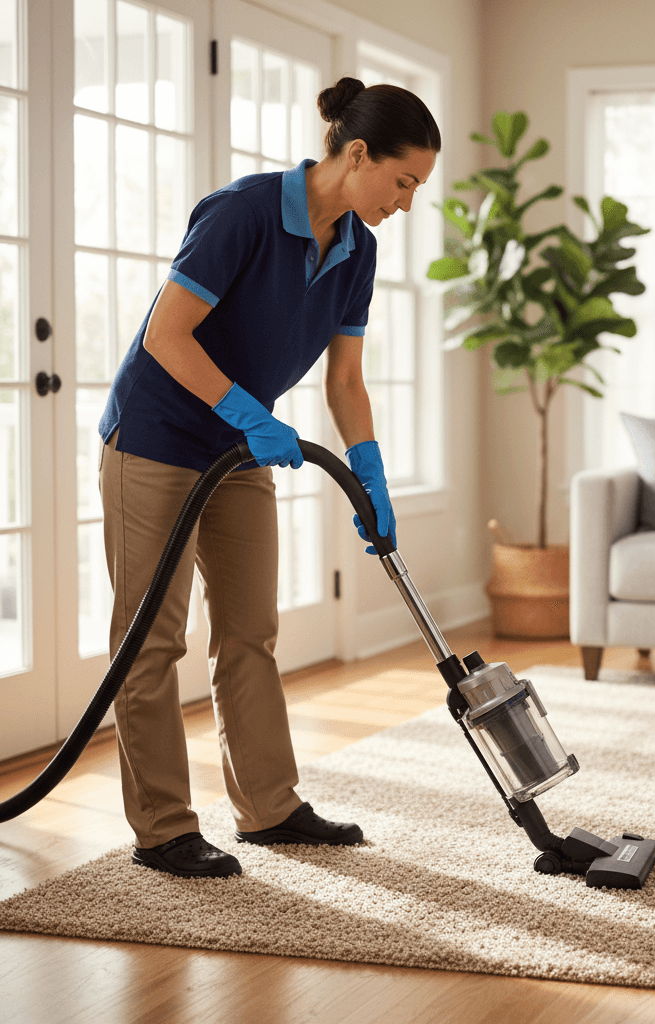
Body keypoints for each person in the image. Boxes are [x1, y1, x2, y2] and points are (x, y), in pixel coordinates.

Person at [97, 77, 440, 878]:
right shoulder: (243, 212)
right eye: (403, 181)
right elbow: (166, 336)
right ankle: (163, 830)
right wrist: (253, 414)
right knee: (151, 639)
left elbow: (346, 379)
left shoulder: (360, 246)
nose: (408, 202)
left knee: (251, 630)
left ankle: (270, 808)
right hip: (155, 438)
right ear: (357, 155)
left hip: (240, 450)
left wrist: (369, 473)